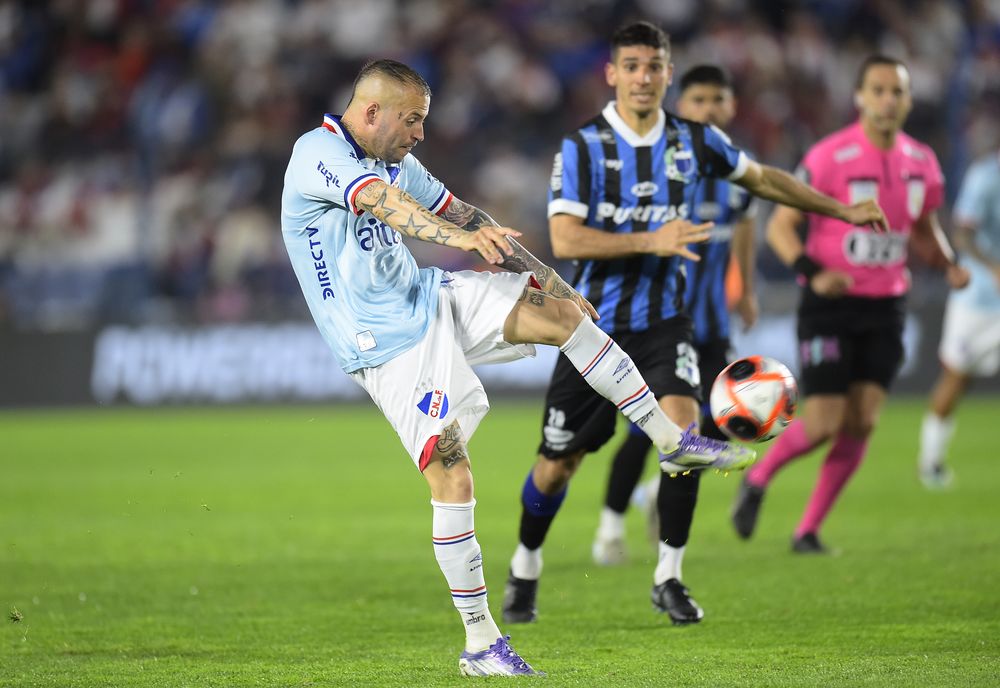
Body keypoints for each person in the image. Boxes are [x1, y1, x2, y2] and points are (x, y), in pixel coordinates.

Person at [279, 59, 756, 678]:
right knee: (453, 479)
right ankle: (480, 644)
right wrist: (462, 241)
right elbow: (390, 207)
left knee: (561, 316)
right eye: (414, 120)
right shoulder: (316, 153)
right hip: (384, 345)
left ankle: (670, 441)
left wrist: (551, 278)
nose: (420, 133)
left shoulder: (392, 156)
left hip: (426, 296)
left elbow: (466, 216)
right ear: (372, 112)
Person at [501, 23, 887, 628]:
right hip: (591, 327)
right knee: (557, 463)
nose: (643, 77)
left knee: (682, 440)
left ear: (668, 72)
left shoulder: (693, 140)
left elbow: (760, 179)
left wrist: (838, 209)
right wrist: (652, 238)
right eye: (631, 66)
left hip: (665, 323)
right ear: (612, 73)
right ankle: (525, 564)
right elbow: (564, 238)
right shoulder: (582, 147)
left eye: (654, 66)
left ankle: (669, 578)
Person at [731, 55, 970, 553]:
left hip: (887, 307)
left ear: (907, 100)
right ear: (859, 97)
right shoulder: (828, 157)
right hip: (830, 307)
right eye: (878, 90)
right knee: (822, 422)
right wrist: (813, 274)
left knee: (862, 422)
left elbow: (925, 228)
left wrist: (947, 262)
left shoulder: (922, 162)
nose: (887, 100)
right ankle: (757, 479)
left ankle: (808, 530)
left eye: (896, 91)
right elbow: (780, 228)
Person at [590, 63, 758, 586]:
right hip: (658, 322)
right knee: (645, 435)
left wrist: (746, 288)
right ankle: (610, 529)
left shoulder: (737, 179)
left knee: (697, 432)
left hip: (710, 327)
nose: (710, 109)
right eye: (700, 100)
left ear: (730, 107)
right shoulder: (661, 171)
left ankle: (653, 517)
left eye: (718, 100)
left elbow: (746, 228)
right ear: (681, 107)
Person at [918, 149, 1000, 488]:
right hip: (979, 298)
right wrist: (993, 267)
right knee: (956, 377)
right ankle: (931, 462)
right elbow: (963, 232)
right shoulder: (986, 175)